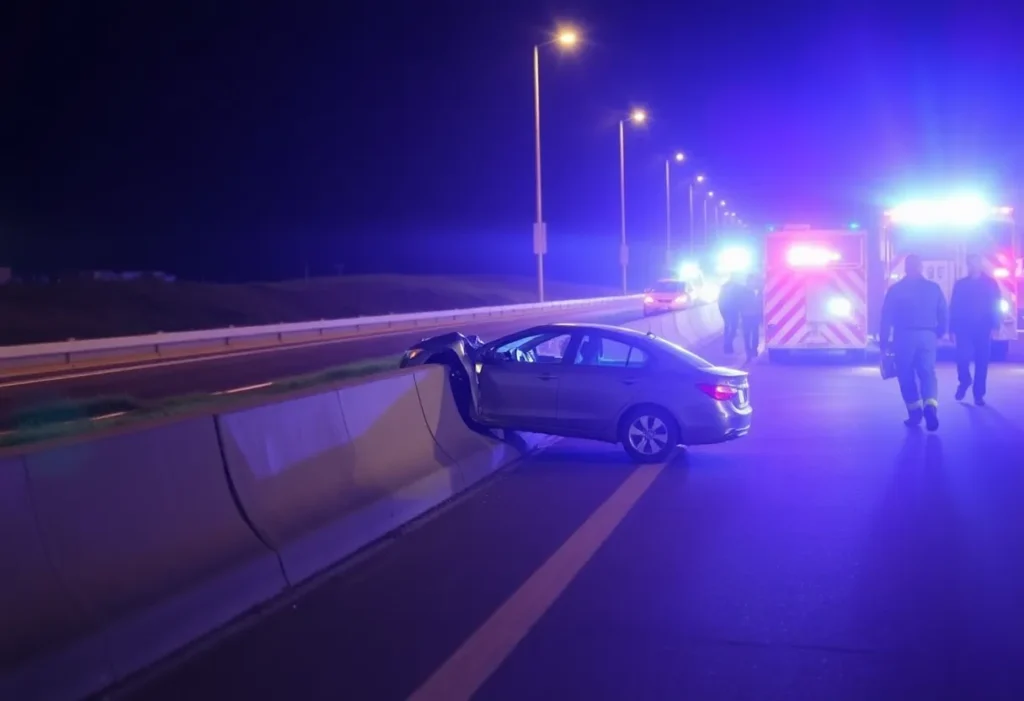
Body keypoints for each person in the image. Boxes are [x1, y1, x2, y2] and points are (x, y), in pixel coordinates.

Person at [879, 254, 948, 431]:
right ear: (921, 267)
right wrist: (940, 332)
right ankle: (930, 406)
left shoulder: (896, 290)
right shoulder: (934, 288)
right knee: (928, 372)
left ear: (905, 268)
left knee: (905, 374)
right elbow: (943, 312)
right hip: (927, 335)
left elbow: (886, 316)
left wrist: (884, 342)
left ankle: (915, 412)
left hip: (904, 337)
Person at [949, 253, 1002, 406]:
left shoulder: (990, 284)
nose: (973, 266)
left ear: (980, 264)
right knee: (962, 358)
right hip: (963, 328)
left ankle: (978, 394)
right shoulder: (961, 284)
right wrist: (951, 328)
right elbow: (954, 306)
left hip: (983, 327)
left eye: (975, 263)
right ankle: (964, 381)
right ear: (968, 265)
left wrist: (995, 325)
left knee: (982, 361)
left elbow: (995, 304)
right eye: (970, 263)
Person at [737, 273, 763, 362]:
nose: (753, 283)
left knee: (755, 334)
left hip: (756, 315)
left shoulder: (759, 291)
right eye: (751, 281)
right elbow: (739, 303)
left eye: (754, 281)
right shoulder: (743, 292)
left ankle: (754, 350)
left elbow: (762, 303)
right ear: (748, 281)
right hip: (746, 316)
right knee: (747, 335)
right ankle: (748, 353)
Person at [718, 274, 741, 353]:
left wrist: (722, 312)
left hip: (728, 311)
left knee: (729, 329)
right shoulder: (737, 287)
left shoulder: (724, 287)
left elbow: (720, 301)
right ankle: (728, 346)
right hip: (732, 311)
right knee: (732, 329)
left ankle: (727, 346)